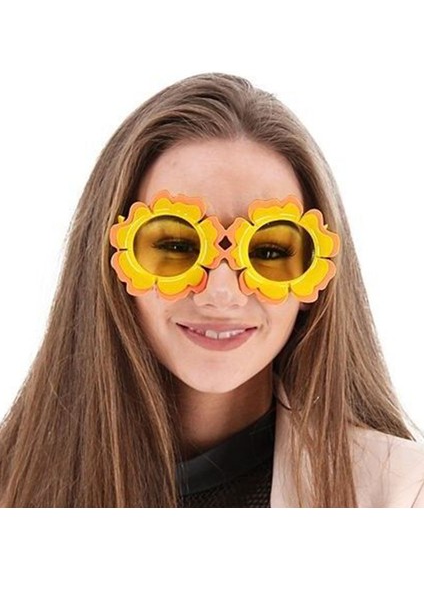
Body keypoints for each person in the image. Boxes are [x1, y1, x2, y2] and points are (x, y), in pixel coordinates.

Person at [1, 73, 423, 508]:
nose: (222, 293)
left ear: (316, 274)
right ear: (112, 262)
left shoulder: (403, 496)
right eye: (176, 245)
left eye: (269, 250)